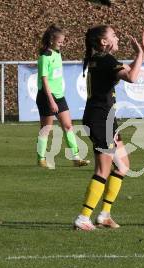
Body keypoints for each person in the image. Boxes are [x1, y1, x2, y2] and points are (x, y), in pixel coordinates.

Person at [73, 25, 144, 230]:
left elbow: (130, 71)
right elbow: (133, 77)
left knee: (123, 166)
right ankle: (83, 218)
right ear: (104, 42)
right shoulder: (106, 60)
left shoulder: (101, 59)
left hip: (105, 119)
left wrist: (143, 52)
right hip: (100, 120)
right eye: (113, 36)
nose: (117, 38)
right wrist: (141, 52)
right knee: (103, 170)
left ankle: (104, 215)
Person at [36, 24, 90, 168]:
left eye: (63, 41)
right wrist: (51, 101)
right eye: (60, 42)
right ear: (52, 40)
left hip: (60, 96)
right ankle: (41, 159)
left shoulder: (57, 53)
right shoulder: (44, 56)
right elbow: (44, 80)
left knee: (68, 126)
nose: (62, 44)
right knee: (46, 128)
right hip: (47, 97)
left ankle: (76, 158)